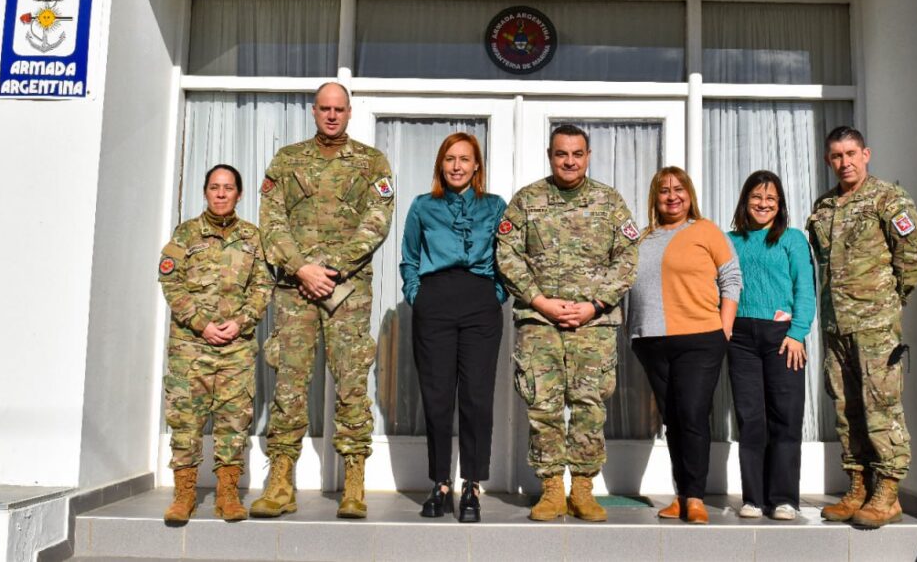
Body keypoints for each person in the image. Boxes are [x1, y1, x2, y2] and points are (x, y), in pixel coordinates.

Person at [249, 82, 395, 520]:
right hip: (295, 291)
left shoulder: (372, 163)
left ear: (350, 113)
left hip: (346, 289)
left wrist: (326, 268)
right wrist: (301, 268)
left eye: (339, 109)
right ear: (314, 111)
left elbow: (377, 221)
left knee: (351, 383)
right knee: (290, 385)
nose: (332, 116)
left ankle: (353, 481)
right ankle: (280, 481)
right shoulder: (287, 160)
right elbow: (270, 222)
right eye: (324, 109)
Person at [496, 124, 639, 522]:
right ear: (550, 154)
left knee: (589, 407)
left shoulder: (609, 203)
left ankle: (582, 488)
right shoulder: (527, 201)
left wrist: (594, 304)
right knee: (543, 406)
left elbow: (627, 259)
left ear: (588, 155)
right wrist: (540, 301)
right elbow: (506, 254)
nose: (570, 161)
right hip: (539, 322)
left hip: (592, 324)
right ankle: (552, 489)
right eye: (562, 154)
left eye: (577, 154)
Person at [807, 126, 917, 528]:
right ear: (829, 160)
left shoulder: (888, 199)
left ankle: (888, 491)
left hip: (875, 323)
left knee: (881, 405)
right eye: (836, 156)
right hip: (836, 324)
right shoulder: (824, 207)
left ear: (866, 154)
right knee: (846, 406)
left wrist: (888, 303)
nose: (844, 163)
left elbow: (913, 259)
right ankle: (858, 485)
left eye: (851, 154)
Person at [400, 133, 507, 523]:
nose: (457, 166)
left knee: (477, 399)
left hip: (479, 302)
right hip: (436, 302)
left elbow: (505, 258)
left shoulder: (494, 206)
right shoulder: (422, 206)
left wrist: (494, 293)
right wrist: (418, 295)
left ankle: (472, 485)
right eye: (450, 159)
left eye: (465, 159)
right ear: (440, 165)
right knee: (438, 397)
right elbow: (409, 257)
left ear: (477, 165)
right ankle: (440, 483)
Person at [158, 164, 272, 524]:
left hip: (236, 347)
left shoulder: (254, 238)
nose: (221, 194)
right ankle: (184, 495)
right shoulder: (185, 234)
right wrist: (201, 323)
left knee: (233, 421)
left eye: (228, 188)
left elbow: (263, 287)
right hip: (191, 347)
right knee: (186, 420)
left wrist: (241, 321)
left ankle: (227, 494)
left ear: (239, 193)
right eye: (214, 187)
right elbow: (171, 284)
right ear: (205, 192)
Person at [626, 167, 741, 525]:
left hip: (699, 338)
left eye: (679, 189)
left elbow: (731, 278)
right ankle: (680, 494)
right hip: (651, 340)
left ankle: (695, 497)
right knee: (673, 419)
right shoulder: (643, 237)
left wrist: (723, 329)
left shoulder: (705, 230)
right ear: (654, 197)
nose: (672, 196)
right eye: (664, 191)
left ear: (689, 194)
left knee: (692, 415)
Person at [726, 170, 816, 522]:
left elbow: (804, 289)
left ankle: (784, 499)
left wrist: (797, 332)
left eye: (771, 200)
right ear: (745, 202)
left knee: (785, 417)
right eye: (756, 198)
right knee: (751, 420)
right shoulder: (730, 241)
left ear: (780, 206)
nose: (763, 204)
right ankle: (752, 497)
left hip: (783, 338)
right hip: (741, 339)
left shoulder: (792, 239)